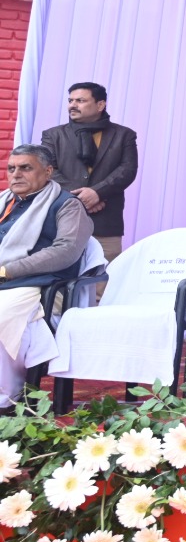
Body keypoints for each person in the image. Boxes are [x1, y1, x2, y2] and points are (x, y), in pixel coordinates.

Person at [0, 145, 93, 406]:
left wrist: (7, 270)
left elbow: (66, 251)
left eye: (25, 168)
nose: (16, 174)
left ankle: (6, 398)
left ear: (48, 171)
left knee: (2, 313)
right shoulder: (5, 201)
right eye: (11, 168)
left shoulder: (67, 205)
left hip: (41, 286)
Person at [41, 82, 139, 261]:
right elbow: (48, 171)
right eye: (70, 100)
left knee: (104, 280)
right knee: (60, 280)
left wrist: (98, 193)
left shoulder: (124, 135)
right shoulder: (53, 135)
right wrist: (83, 197)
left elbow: (127, 170)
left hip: (105, 223)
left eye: (80, 100)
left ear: (100, 105)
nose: (72, 105)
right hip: (63, 221)